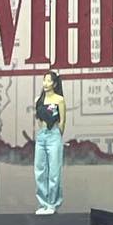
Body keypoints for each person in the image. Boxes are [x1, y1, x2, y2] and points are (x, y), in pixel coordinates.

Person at [34, 69, 66, 215]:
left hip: (54, 135)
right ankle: (43, 203)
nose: (46, 83)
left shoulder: (59, 99)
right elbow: (38, 119)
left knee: (54, 171)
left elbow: (62, 121)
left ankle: (52, 204)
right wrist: (42, 132)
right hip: (41, 136)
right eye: (44, 80)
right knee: (40, 171)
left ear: (54, 84)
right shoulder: (38, 100)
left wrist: (57, 134)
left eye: (49, 81)